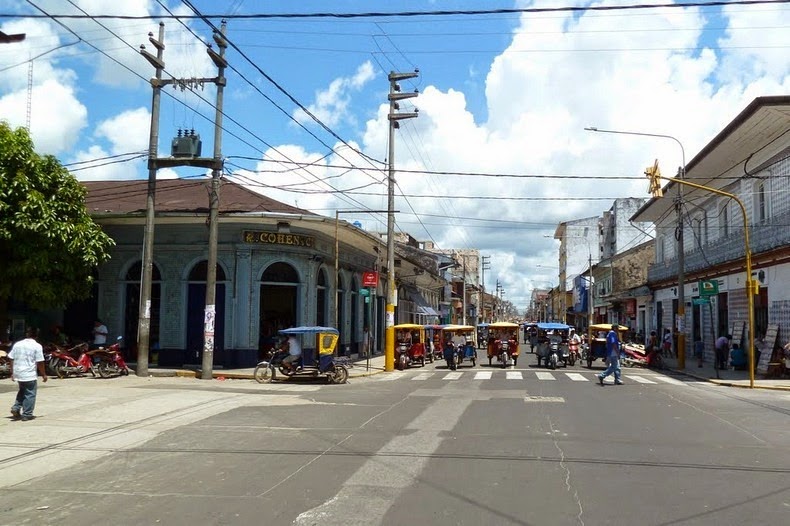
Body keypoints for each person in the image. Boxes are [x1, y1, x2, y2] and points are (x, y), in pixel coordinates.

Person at [8, 327, 48, 421]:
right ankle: (27, 414)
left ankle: (16, 408)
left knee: (22, 391)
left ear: (27, 334)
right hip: (29, 374)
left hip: (18, 373)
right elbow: (40, 362)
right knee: (30, 393)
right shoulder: (37, 346)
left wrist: (13, 372)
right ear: (37, 336)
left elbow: (11, 357)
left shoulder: (18, 344)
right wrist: (43, 374)